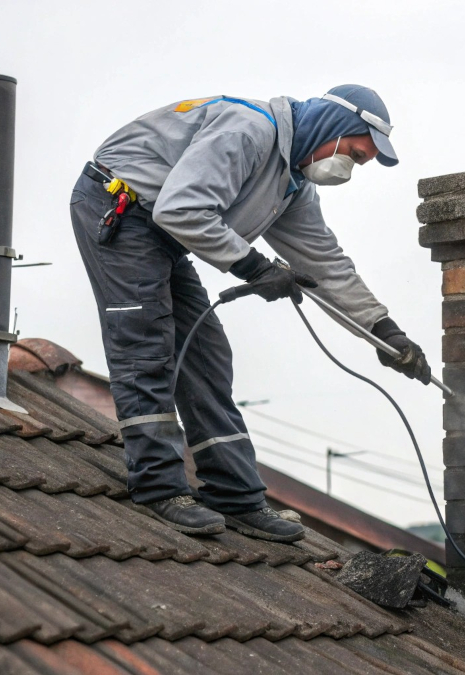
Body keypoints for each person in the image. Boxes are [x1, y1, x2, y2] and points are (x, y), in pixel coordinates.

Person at [69, 85, 431, 542]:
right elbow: (180, 208)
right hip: (119, 206)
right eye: (356, 155)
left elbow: (327, 264)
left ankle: (235, 496)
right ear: (334, 128)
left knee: (206, 354)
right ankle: (161, 487)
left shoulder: (290, 185)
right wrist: (255, 267)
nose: (350, 170)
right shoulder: (250, 130)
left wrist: (385, 332)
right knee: (145, 341)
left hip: (161, 230)